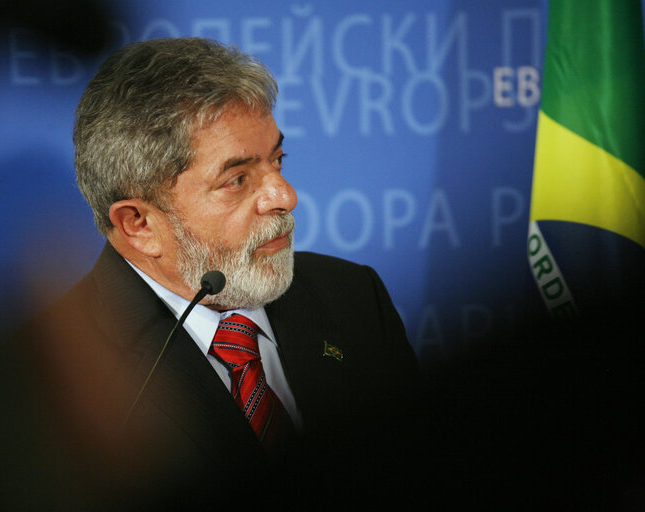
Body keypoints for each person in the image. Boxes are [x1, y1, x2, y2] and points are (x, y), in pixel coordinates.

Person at [21, 37, 421, 510]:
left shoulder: (351, 294)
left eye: (277, 160)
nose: (285, 196)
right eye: (237, 179)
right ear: (140, 224)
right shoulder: (50, 374)